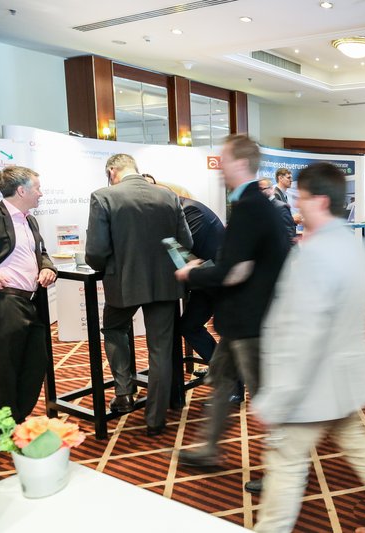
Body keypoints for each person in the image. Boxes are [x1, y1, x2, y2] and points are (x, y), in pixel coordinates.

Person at [252, 162, 365, 533]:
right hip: (345, 380)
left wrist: (276, 397)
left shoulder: (314, 255)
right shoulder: (353, 244)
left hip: (311, 386)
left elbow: (302, 334)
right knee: (362, 447)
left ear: (321, 201)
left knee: (285, 463)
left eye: (302, 198)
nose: (297, 205)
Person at [176, 134, 290, 468]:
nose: (219, 167)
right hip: (241, 318)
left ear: (240, 163)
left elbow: (235, 271)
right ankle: (208, 449)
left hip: (251, 320)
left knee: (265, 397)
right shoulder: (255, 203)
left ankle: (283, 467)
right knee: (222, 380)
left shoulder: (250, 207)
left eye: (224, 160)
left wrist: (192, 274)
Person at [86, 154, 193, 436]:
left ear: (112, 170)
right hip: (165, 284)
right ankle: (155, 418)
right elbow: (185, 242)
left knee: (114, 328)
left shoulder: (103, 197)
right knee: (161, 349)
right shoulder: (168, 196)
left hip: (124, 282)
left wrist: (105, 267)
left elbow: (96, 250)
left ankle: (124, 393)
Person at [0, 166, 57, 423]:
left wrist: (48, 267)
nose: (41, 193)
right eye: (37, 188)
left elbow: (41, 252)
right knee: (6, 368)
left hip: (33, 303)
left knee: (35, 363)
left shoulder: (29, 219)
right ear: (21, 190)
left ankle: (18, 420)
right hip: (6, 303)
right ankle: (5, 428)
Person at [177, 195, 225, 377]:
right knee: (189, 326)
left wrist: (166, 243)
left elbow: (184, 250)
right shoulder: (185, 210)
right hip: (205, 280)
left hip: (216, 280)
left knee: (228, 332)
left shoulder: (190, 210)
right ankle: (220, 369)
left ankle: (228, 376)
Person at [259, 178, 297, 243]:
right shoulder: (259, 207)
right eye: (258, 190)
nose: (260, 192)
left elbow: (289, 235)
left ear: (271, 189)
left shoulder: (281, 207)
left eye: (262, 189)